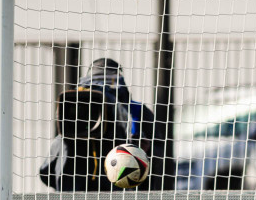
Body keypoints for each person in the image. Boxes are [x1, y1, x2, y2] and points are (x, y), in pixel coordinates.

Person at [39, 58, 163, 191]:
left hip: (76, 198)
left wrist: (142, 151)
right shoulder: (73, 107)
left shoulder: (135, 111)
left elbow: (47, 171)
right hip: (116, 196)